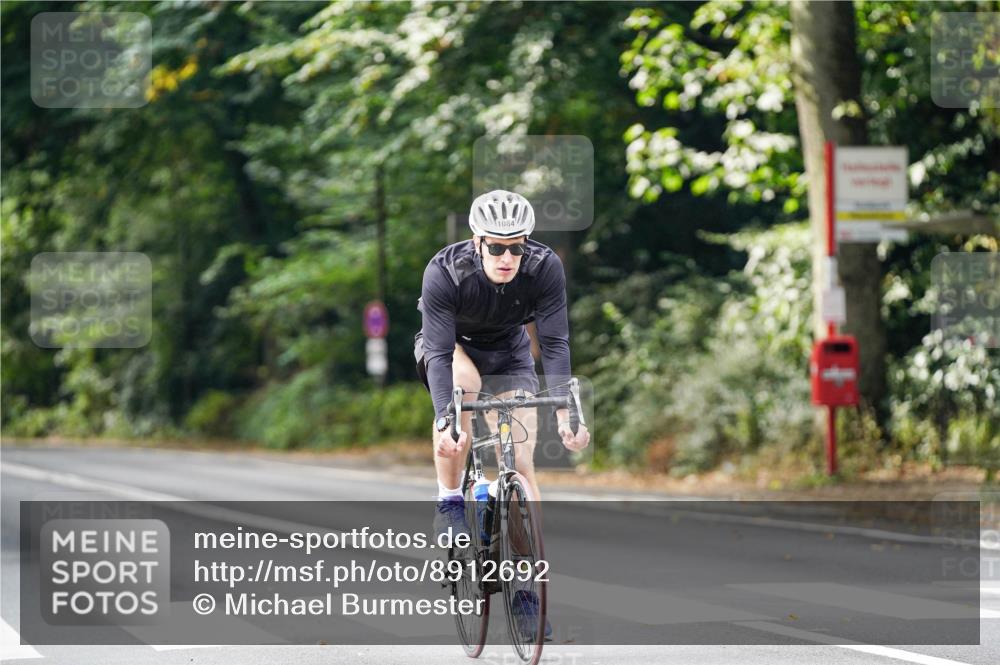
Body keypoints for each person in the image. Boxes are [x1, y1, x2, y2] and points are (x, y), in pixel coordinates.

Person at [414, 189, 590, 640]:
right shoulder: (445, 272)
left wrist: (567, 411)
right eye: (496, 246)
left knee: (521, 462)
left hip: (510, 353)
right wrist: (443, 418)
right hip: (451, 350)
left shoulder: (544, 267)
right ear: (477, 241)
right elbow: (435, 351)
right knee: (463, 392)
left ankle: (524, 587)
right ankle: (449, 500)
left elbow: (554, 343)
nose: (507, 256)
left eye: (516, 246)